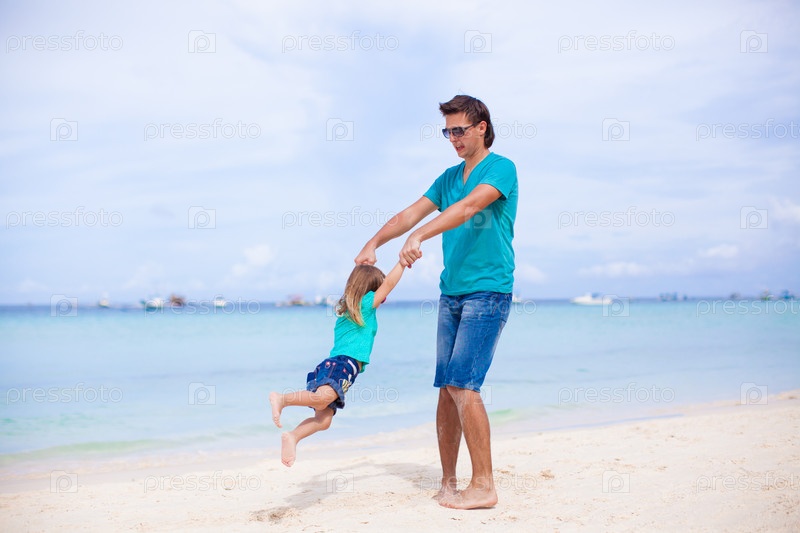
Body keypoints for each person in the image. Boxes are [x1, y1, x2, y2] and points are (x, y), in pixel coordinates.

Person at [355, 95, 518, 509]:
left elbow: (468, 207)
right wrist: (374, 242)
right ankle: (448, 482)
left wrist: (420, 236)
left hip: (488, 291)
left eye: (459, 130)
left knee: (464, 383)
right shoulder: (448, 177)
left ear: (481, 127)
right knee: (447, 389)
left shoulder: (501, 168)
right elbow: (410, 214)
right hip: (452, 294)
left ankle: (484, 486)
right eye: (448, 132)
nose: (454, 138)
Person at [269, 261, 405, 467]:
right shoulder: (365, 304)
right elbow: (390, 284)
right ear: (370, 291)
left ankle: (293, 436)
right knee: (321, 399)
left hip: (338, 367)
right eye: (380, 294)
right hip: (342, 365)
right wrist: (403, 262)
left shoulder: (351, 310)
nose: (382, 299)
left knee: (323, 421)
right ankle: (282, 399)